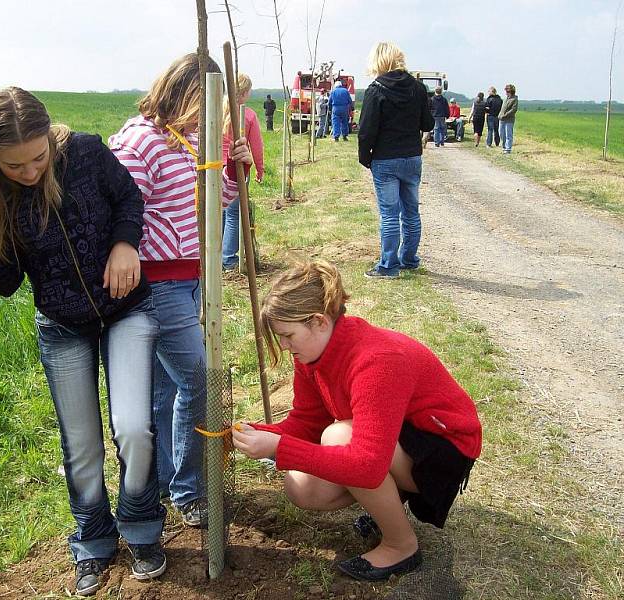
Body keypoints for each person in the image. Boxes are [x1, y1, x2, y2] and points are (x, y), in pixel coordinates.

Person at [0, 87, 166, 596]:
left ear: (50, 139)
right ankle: (93, 540)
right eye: (15, 166)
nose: (31, 172)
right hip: (62, 326)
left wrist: (126, 243)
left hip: (126, 309)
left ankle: (141, 527)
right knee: (80, 445)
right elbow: (7, 281)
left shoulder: (86, 153)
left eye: (38, 158)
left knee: (134, 428)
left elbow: (129, 198)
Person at [232, 260, 482, 582]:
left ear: (319, 322)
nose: (283, 345)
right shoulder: (312, 354)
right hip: (399, 439)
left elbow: (367, 464)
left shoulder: (376, 361)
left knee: (339, 439)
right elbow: (307, 421)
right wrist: (259, 433)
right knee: (303, 487)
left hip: (444, 451)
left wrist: (280, 446)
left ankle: (400, 545)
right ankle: (391, 503)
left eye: (287, 335)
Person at [108, 53, 253, 528]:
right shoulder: (141, 140)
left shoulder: (192, 140)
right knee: (200, 380)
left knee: (169, 388)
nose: (213, 116)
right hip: (156, 283)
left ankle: (168, 482)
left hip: (191, 277)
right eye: (209, 103)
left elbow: (220, 201)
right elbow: (120, 208)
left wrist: (234, 171)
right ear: (188, 92)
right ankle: (190, 491)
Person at [357, 41, 433, 279]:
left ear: (378, 61)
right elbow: (428, 124)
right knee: (411, 212)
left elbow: (366, 130)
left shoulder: (375, 89)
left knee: (389, 214)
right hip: (411, 157)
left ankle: (389, 265)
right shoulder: (418, 88)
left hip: (385, 159)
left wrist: (365, 157)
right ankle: (409, 259)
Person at [222, 72, 265, 271]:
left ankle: (216, 254)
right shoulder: (247, 115)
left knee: (218, 212)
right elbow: (256, 145)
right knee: (234, 214)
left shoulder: (217, 110)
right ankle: (229, 258)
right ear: (245, 92)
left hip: (214, 167)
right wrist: (259, 169)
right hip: (236, 167)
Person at [499, 84, 519, 154]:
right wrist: (500, 115)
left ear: (510, 91)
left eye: (507, 91)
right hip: (501, 119)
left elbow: (513, 110)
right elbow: (502, 108)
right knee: (501, 133)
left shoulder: (514, 99)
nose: (506, 92)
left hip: (509, 120)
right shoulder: (505, 98)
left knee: (508, 134)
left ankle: (508, 149)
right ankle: (504, 146)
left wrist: (505, 115)